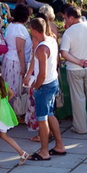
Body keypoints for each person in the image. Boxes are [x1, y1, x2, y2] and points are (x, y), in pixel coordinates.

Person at [60, 6, 87, 134]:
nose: (65, 21)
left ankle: (80, 128)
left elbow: (64, 53)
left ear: (72, 17)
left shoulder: (69, 32)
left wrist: (78, 61)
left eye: (66, 18)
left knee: (78, 99)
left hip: (74, 69)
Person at [27, 18, 67, 160]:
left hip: (44, 86)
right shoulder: (52, 40)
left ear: (33, 30)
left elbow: (42, 75)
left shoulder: (41, 49)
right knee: (50, 114)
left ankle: (44, 151)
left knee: (42, 118)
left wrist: (35, 86)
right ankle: (59, 145)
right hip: (53, 81)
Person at [0, 63, 29, 166]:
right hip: (5, 112)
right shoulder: (4, 84)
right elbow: (12, 94)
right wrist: (5, 101)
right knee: (4, 135)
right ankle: (22, 153)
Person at [3, 4, 32, 116]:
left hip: (9, 59)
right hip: (16, 62)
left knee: (9, 87)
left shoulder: (11, 25)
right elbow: (20, 50)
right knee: (15, 89)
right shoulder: (20, 29)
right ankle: (15, 112)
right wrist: (23, 66)